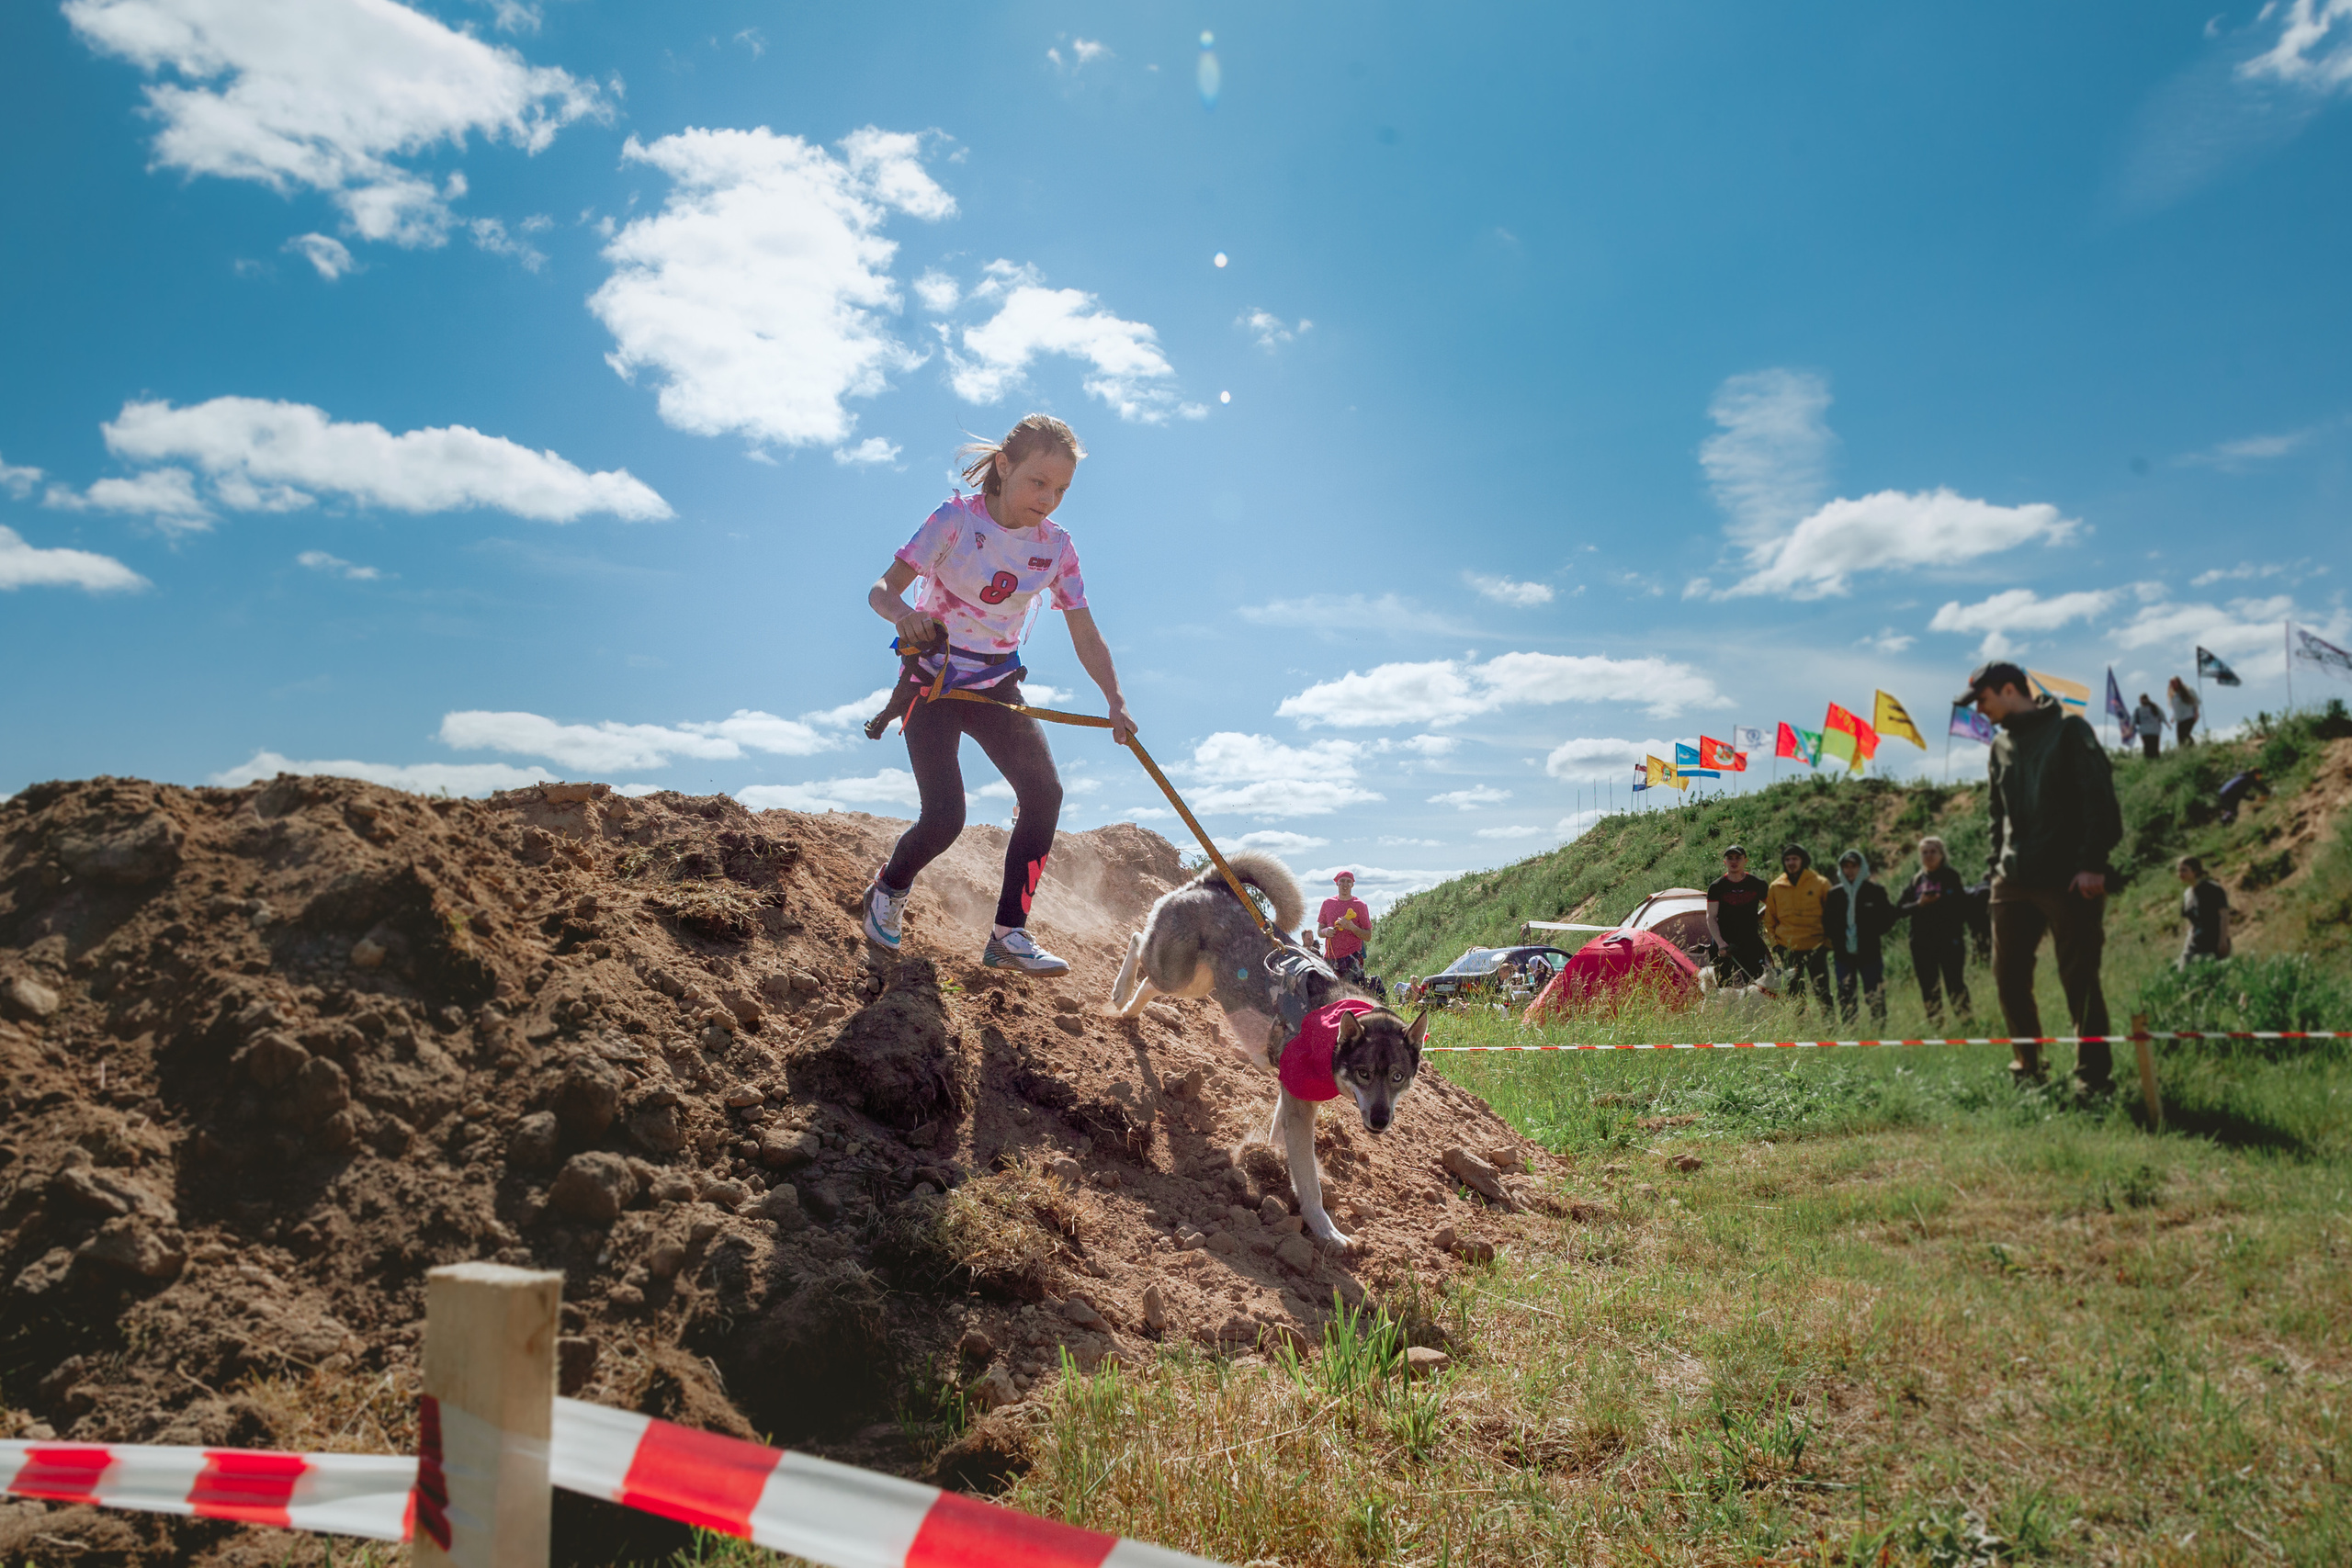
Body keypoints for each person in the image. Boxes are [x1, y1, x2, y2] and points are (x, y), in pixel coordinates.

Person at [860, 415, 1137, 976]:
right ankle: (887, 889)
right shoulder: (955, 520)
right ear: (1005, 467)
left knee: (1045, 794)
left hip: (997, 687)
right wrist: (906, 615)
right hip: (933, 682)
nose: (1049, 499)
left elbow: (1084, 630)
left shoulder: (1057, 547)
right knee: (945, 816)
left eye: (1061, 490)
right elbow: (882, 590)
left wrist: (1115, 698)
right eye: (1039, 482)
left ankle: (1009, 934)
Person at [1960, 660, 2122, 1092]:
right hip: (2011, 879)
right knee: (2007, 978)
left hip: (2068, 878)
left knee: (2079, 980)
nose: (1979, 710)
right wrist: (1994, 869)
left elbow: (2099, 799)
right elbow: (1997, 815)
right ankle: (2028, 1069)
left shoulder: (2069, 730)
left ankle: (2093, 1078)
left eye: (1982, 699)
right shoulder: (1999, 746)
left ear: (2009, 689)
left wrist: (2092, 864)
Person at [1894, 836, 1973, 1025]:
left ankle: (1967, 1024)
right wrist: (1919, 904)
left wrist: (1941, 901)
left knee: (1955, 984)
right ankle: (1937, 1027)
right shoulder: (1916, 880)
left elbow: (1963, 907)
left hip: (1949, 941)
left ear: (1941, 854)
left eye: (1932, 851)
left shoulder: (1951, 877)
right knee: (1929, 987)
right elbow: (1898, 910)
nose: (1928, 856)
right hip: (1922, 943)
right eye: (1924, 852)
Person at [1822, 850, 1895, 1024]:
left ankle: (1879, 1028)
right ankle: (1850, 1030)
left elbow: (1888, 917)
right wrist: (1839, 939)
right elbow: (1827, 922)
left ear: (1861, 868)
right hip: (1843, 955)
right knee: (1846, 994)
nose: (1850, 870)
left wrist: (1871, 933)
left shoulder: (1875, 891)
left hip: (1870, 953)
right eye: (1846, 866)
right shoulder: (1835, 894)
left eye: (1853, 866)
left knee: (1874, 993)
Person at [1763, 843, 1834, 1014]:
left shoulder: (1820, 883)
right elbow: (1770, 920)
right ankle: (1800, 1024)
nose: (1791, 863)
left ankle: (1830, 1024)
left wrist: (1828, 943)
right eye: (1787, 859)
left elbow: (1833, 915)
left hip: (1816, 946)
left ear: (1803, 860)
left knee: (1822, 989)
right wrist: (1776, 946)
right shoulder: (1776, 886)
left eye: (1795, 858)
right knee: (1794, 991)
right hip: (1788, 948)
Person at [1704, 844, 1772, 983]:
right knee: (1723, 985)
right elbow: (1711, 917)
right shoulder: (1716, 887)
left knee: (1757, 983)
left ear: (1745, 861)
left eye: (1738, 858)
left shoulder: (1757, 884)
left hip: (1750, 940)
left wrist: (1760, 917)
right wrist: (1720, 943)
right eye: (1730, 858)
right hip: (1724, 941)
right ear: (1725, 862)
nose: (1734, 861)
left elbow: (1774, 906)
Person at [2177, 855, 2232, 967]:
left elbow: (2224, 915)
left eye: (2184, 870)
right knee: (2182, 973)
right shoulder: (2187, 894)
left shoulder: (2213, 889)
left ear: (2195, 871)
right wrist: (2187, 944)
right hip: (2194, 945)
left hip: (2213, 944)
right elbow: (2191, 923)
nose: (2180, 874)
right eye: (2179, 871)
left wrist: (2223, 941)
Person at [1318, 872, 1372, 984]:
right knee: (1327, 992)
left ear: (1353, 885)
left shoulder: (1360, 905)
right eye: (1342, 881)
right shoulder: (1327, 903)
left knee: (1353, 993)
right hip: (1330, 959)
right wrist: (1326, 931)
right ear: (1337, 883)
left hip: (1352, 958)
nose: (1345, 885)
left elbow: (1368, 936)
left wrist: (1352, 927)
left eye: (1348, 881)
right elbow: (1319, 931)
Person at [2167, 676, 2199, 748]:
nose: (2173, 685)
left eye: (2174, 683)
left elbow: (2196, 701)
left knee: (2185, 734)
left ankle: (2193, 748)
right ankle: (2184, 751)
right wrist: (2173, 716)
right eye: (2171, 684)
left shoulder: (2188, 690)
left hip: (2189, 716)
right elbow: (2176, 708)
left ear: (2179, 682)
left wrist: (2196, 713)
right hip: (2180, 719)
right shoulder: (2174, 695)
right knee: (2180, 738)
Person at [2132, 693, 2165, 761]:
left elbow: (2162, 717)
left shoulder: (2154, 707)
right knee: (2151, 749)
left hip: (2150, 732)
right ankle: (2153, 762)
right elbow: (2162, 717)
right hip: (2149, 731)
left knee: (2151, 749)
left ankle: (2152, 762)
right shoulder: (2139, 709)